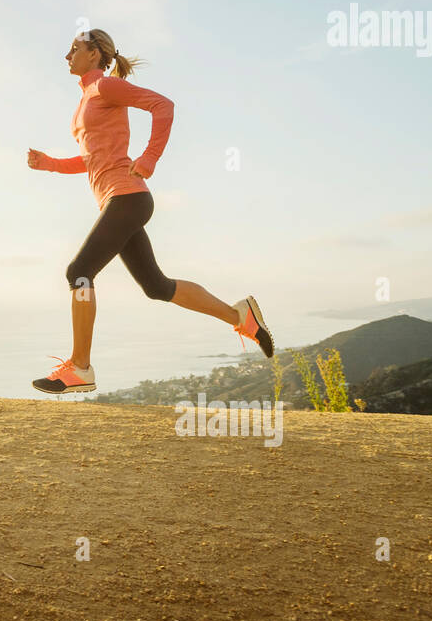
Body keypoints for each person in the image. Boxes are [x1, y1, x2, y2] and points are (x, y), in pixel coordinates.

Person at [27, 29, 273, 395]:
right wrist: (51, 164)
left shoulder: (106, 87)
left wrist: (149, 158)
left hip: (128, 197)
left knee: (79, 272)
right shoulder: (84, 103)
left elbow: (164, 106)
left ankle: (80, 367)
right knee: (156, 287)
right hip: (118, 201)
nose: (67, 56)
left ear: (94, 54)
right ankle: (240, 316)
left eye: (74, 49)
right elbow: (91, 159)